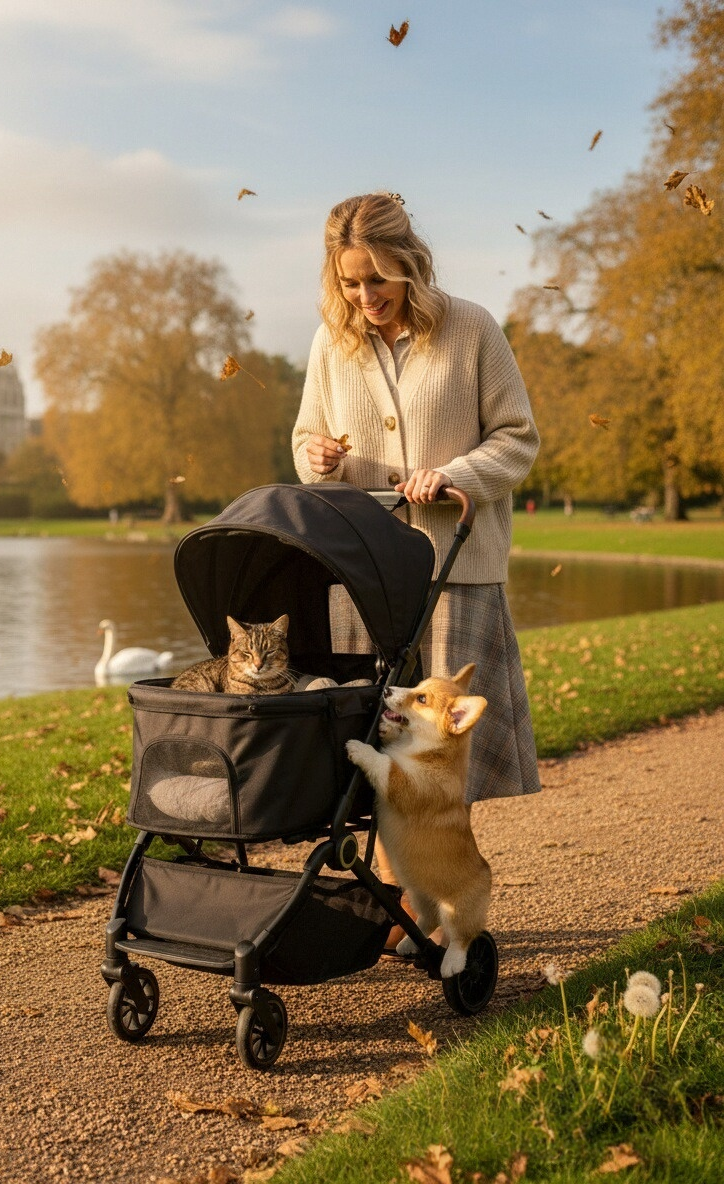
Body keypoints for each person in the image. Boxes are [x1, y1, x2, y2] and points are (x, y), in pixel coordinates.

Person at [291, 192, 541, 924]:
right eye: (349, 281)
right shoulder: (328, 343)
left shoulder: (471, 329)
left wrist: (456, 477)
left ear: (410, 265)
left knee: (434, 763)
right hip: (359, 577)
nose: (364, 296)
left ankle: (433, 898)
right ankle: (391, 899)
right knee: (366, 745)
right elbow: (308, 446)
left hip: (453, 570)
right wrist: (318, 456)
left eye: (377, 279)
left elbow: (517, 438)